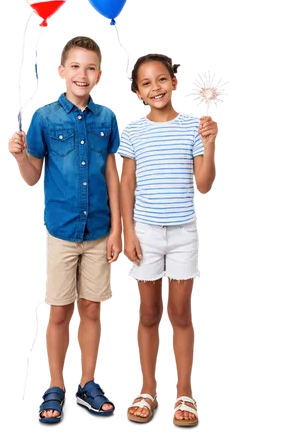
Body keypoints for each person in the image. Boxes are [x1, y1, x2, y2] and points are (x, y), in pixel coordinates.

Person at [7, 34, 122, 425]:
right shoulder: (44, 117)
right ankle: (55, 386)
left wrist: (119, 230)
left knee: (92, 308)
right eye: (75, 66)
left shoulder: (108, 118)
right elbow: (34, 179)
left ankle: (88, 384)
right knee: (59, 311)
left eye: (91, 68)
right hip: (60, 231)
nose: (82, 74)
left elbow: (113, 174)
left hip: (100, 231)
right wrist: (20, 157)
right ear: (60, 71)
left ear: (100, 75)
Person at [118, 52, 219, 428]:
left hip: (182, 234)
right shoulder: (133, 129)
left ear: (175, 82)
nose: (155, 88)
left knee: (180, 315)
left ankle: (184, 394)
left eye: (161, 79)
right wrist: (127, 231)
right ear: (138, 92)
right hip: (143, 232)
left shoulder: (194, 125)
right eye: (146, 83)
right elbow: (127, 182)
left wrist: (211, 143)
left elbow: (202, 185)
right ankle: (146, 389)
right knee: (146, 315)